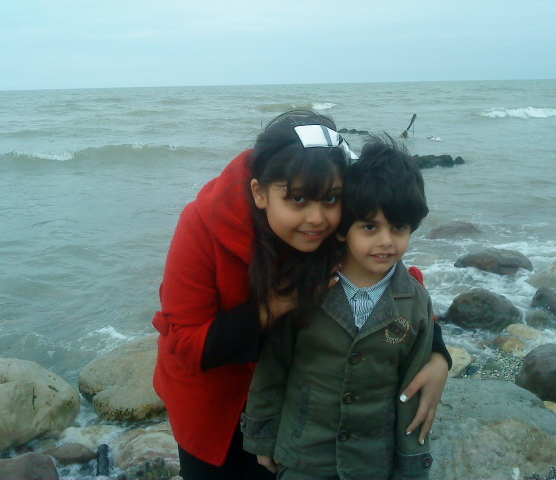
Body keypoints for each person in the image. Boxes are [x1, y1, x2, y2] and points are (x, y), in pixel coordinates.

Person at [152, 111, 451, 480]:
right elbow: (185, 345)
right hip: (215, 403)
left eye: (331, 199)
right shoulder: (203, 225)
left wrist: (437, 353)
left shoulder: (335, 217)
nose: (317, 219)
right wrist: (274, 307)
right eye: (297, 199)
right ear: (259, 192)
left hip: (299, 413)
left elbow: (389, 274)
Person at [242, 135, 437, 480]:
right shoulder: (305, 287)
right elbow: (273, 367)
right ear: (344, 229)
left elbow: (413, 393)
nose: (386, 242)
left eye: (399, 227)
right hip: (303, 457)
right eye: (370, 227)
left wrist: (411, 466)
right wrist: (262, 438)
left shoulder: (415, 302)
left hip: (372, 464)